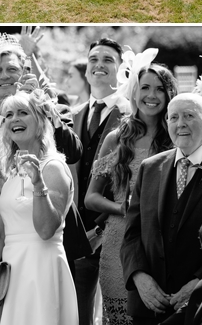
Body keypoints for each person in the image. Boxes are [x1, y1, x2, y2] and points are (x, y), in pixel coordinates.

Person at [121, 93, 202, 325]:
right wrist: (139, 277)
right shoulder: (150, 168)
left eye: (189, 116)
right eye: (173, 117)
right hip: (148, 305)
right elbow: (132, 232)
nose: (180, 123)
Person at [85, 61, 177, 325]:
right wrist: (120, 208)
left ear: (169, 94)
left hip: (162, 241)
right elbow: (90, 198)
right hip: (118, 241)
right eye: (145, 87)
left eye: (159, 89)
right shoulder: (117, 137)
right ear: (134, 92)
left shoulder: (176, 136)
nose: (151, 95)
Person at [0, 90, 78, 325]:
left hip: (41, 267)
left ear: (41, 122)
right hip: (11, 272)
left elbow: (45, 230)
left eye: (23, 113)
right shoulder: (12, 171)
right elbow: (1, 231)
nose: (14, 119)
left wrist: (38, 183)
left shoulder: (52, 167)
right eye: (9, 115)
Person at [70, 38, 127, 325]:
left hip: (117, 229)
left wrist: (101, 225)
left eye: (108, 59)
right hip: (79, 236)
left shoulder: (132, 114)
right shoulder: (77, 113)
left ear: (121, 67)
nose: (99, 64)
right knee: (79, 314)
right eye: (93, 59)